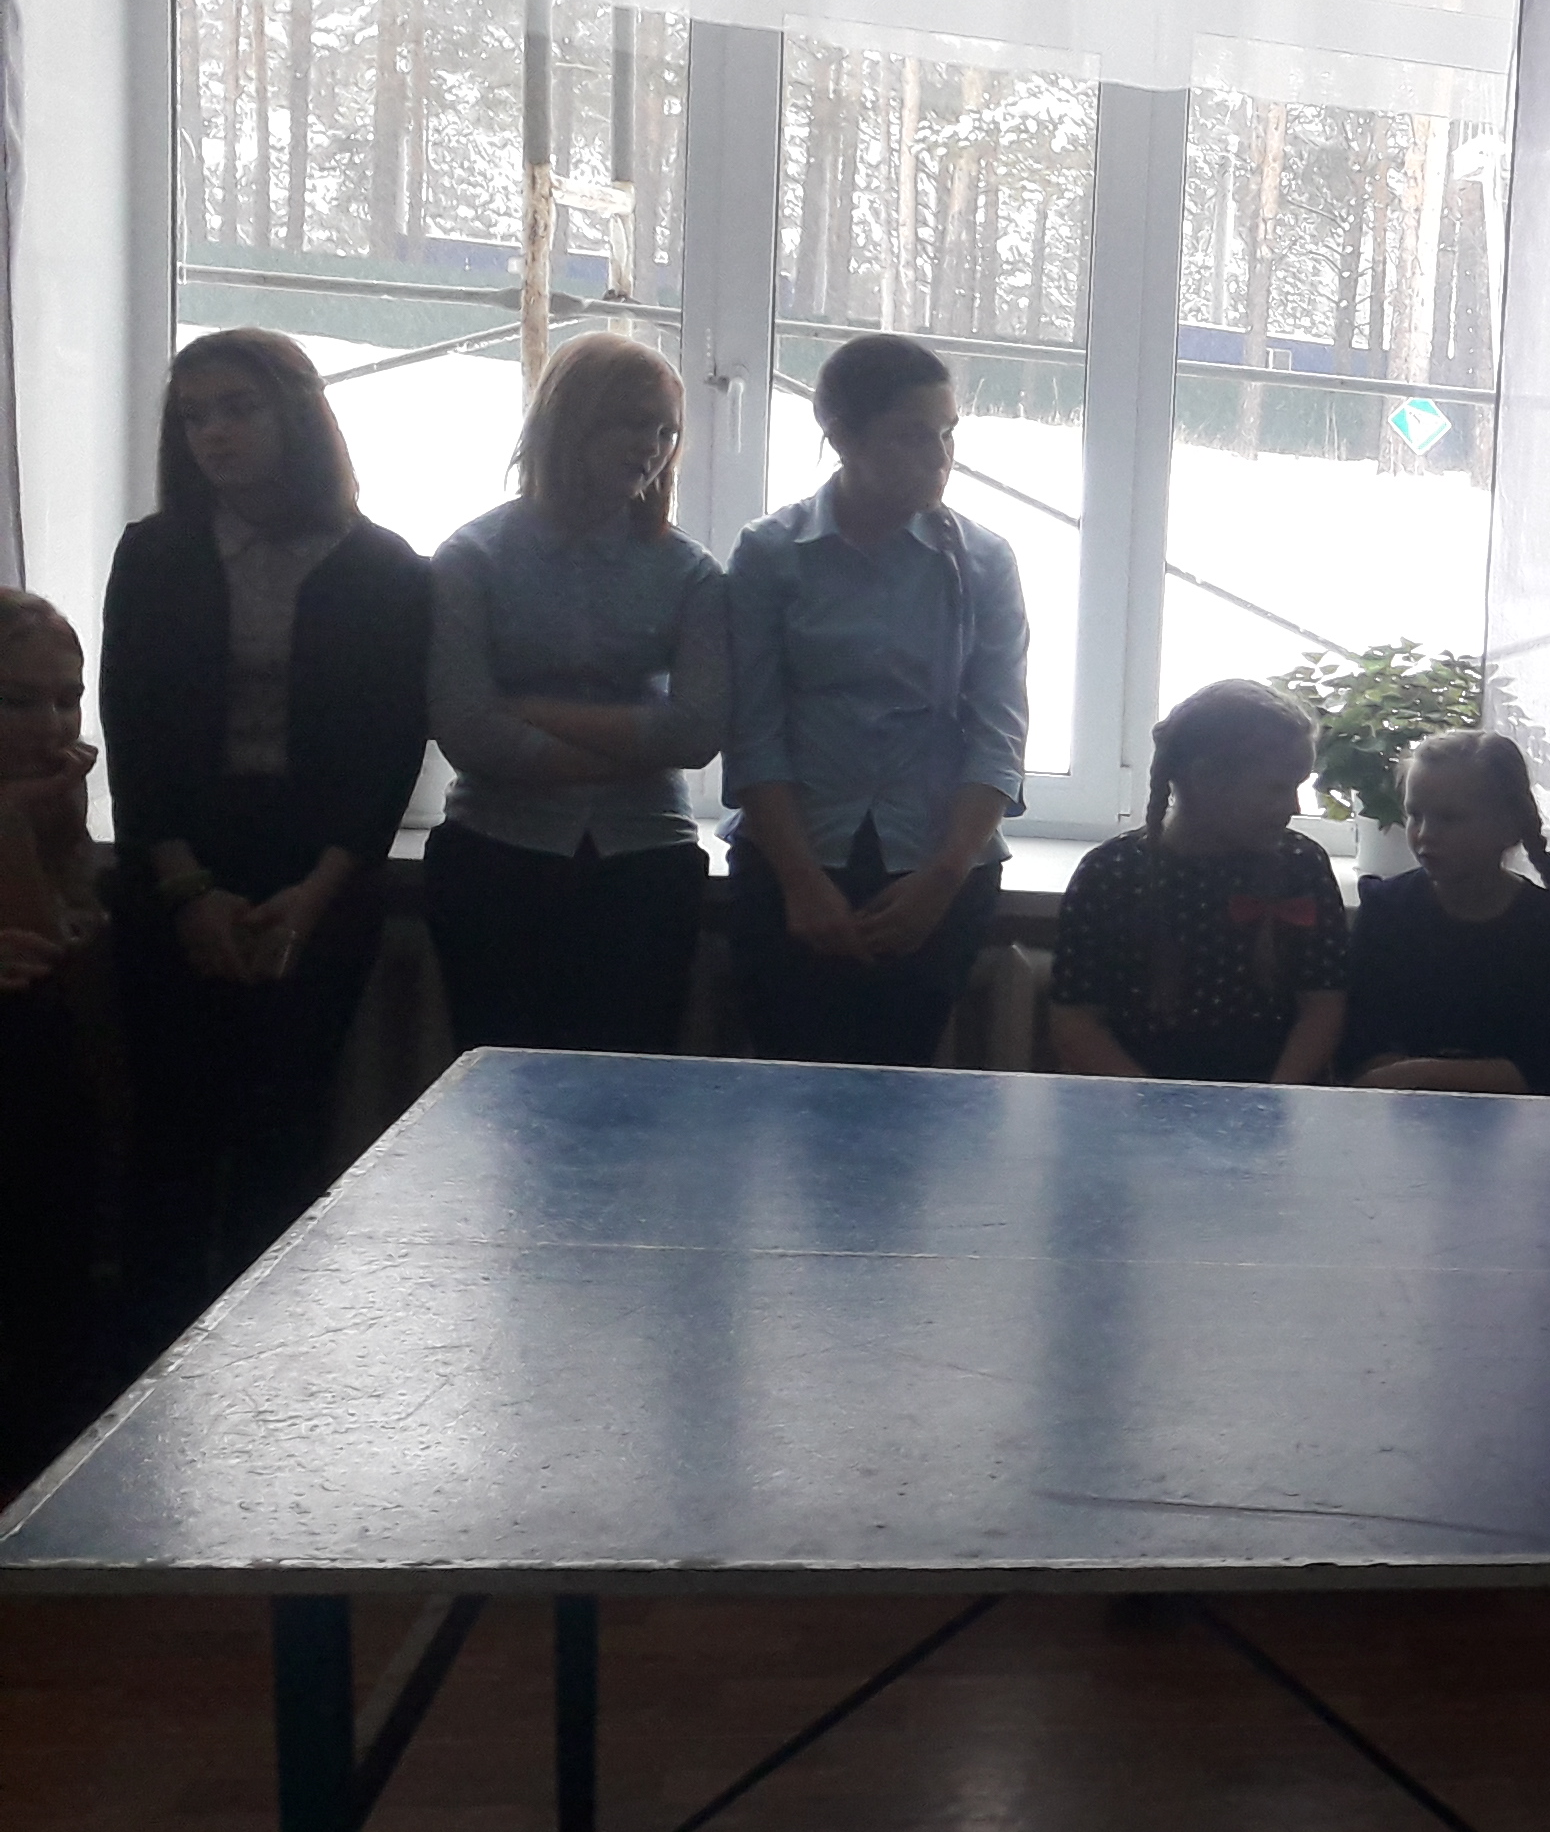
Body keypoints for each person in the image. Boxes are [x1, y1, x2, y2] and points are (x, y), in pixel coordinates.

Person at [98, 331, 431, 1322]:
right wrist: (186, 891)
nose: (214, 434)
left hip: (318, 877)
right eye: (194, 416)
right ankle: (143, 1377)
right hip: (177, 871)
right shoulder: (155, 554)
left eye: (237, 408)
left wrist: (313, 898)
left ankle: (260, 1371)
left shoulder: (386, 568)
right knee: (170, 1144)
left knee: (283, 1141)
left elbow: (388, 751)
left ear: (297, 413)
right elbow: (133, 732)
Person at [722, 336, 1029, 1067]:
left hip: (938, 863)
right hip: (791, 856)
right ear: (842, 438)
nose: (939, 456)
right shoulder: (771, 553)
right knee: (789, 1092)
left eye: (948, 433)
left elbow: (999, 732)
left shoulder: (984, 560)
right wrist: (802, 883)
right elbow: (753, 731)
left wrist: (944, 878)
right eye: (912, 435)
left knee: (902, 1097)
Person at [422, 335, 730, 1055]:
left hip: (645, 861)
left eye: (666, 431)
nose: (651, 447)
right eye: (632, 422)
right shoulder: (472, 558)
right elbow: (468, 732)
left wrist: (530, 710)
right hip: (496, 855)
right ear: (569, 420)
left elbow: (697, 735)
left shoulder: (691, 573)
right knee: (499, 1086)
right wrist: (635, 752)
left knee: (628, 1091)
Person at [1048, 682, 1346, 1084]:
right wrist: (1154, 1105)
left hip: (1277, 1098)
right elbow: (1076, 1022)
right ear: (1206, 781)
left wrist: (1272, 1099)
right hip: (1137, 1100)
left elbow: (1322, 1007)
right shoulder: (1110, 874)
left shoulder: (1302, 865)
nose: (1294, 807)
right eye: (1277, 788)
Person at [0, 590, 121, 1491]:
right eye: (17, 701)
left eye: (67, 699)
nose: (50, 725)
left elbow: (52, 945)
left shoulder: (47, 793)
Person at [1341, 729, 1550, 1094]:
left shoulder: (1546, 923)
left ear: (1508, 828)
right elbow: (1359, 1051)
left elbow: (1542, 1070)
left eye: (1450, 818)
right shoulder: (1386, 909)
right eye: (1415, 815)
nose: (1425, 834)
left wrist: (1418, 1074)